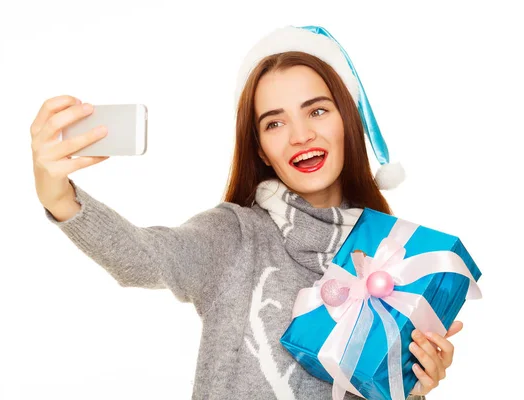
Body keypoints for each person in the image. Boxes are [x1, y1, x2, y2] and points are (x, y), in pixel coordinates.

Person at [29, 25, 463, 400]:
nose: (300, 135)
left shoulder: (394, 257)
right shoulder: (233, 236)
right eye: (275, 122)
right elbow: (142, 256)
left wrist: (410, 386)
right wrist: (58, 194)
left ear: (346, 121)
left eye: (316, 110)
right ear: (260, 148)